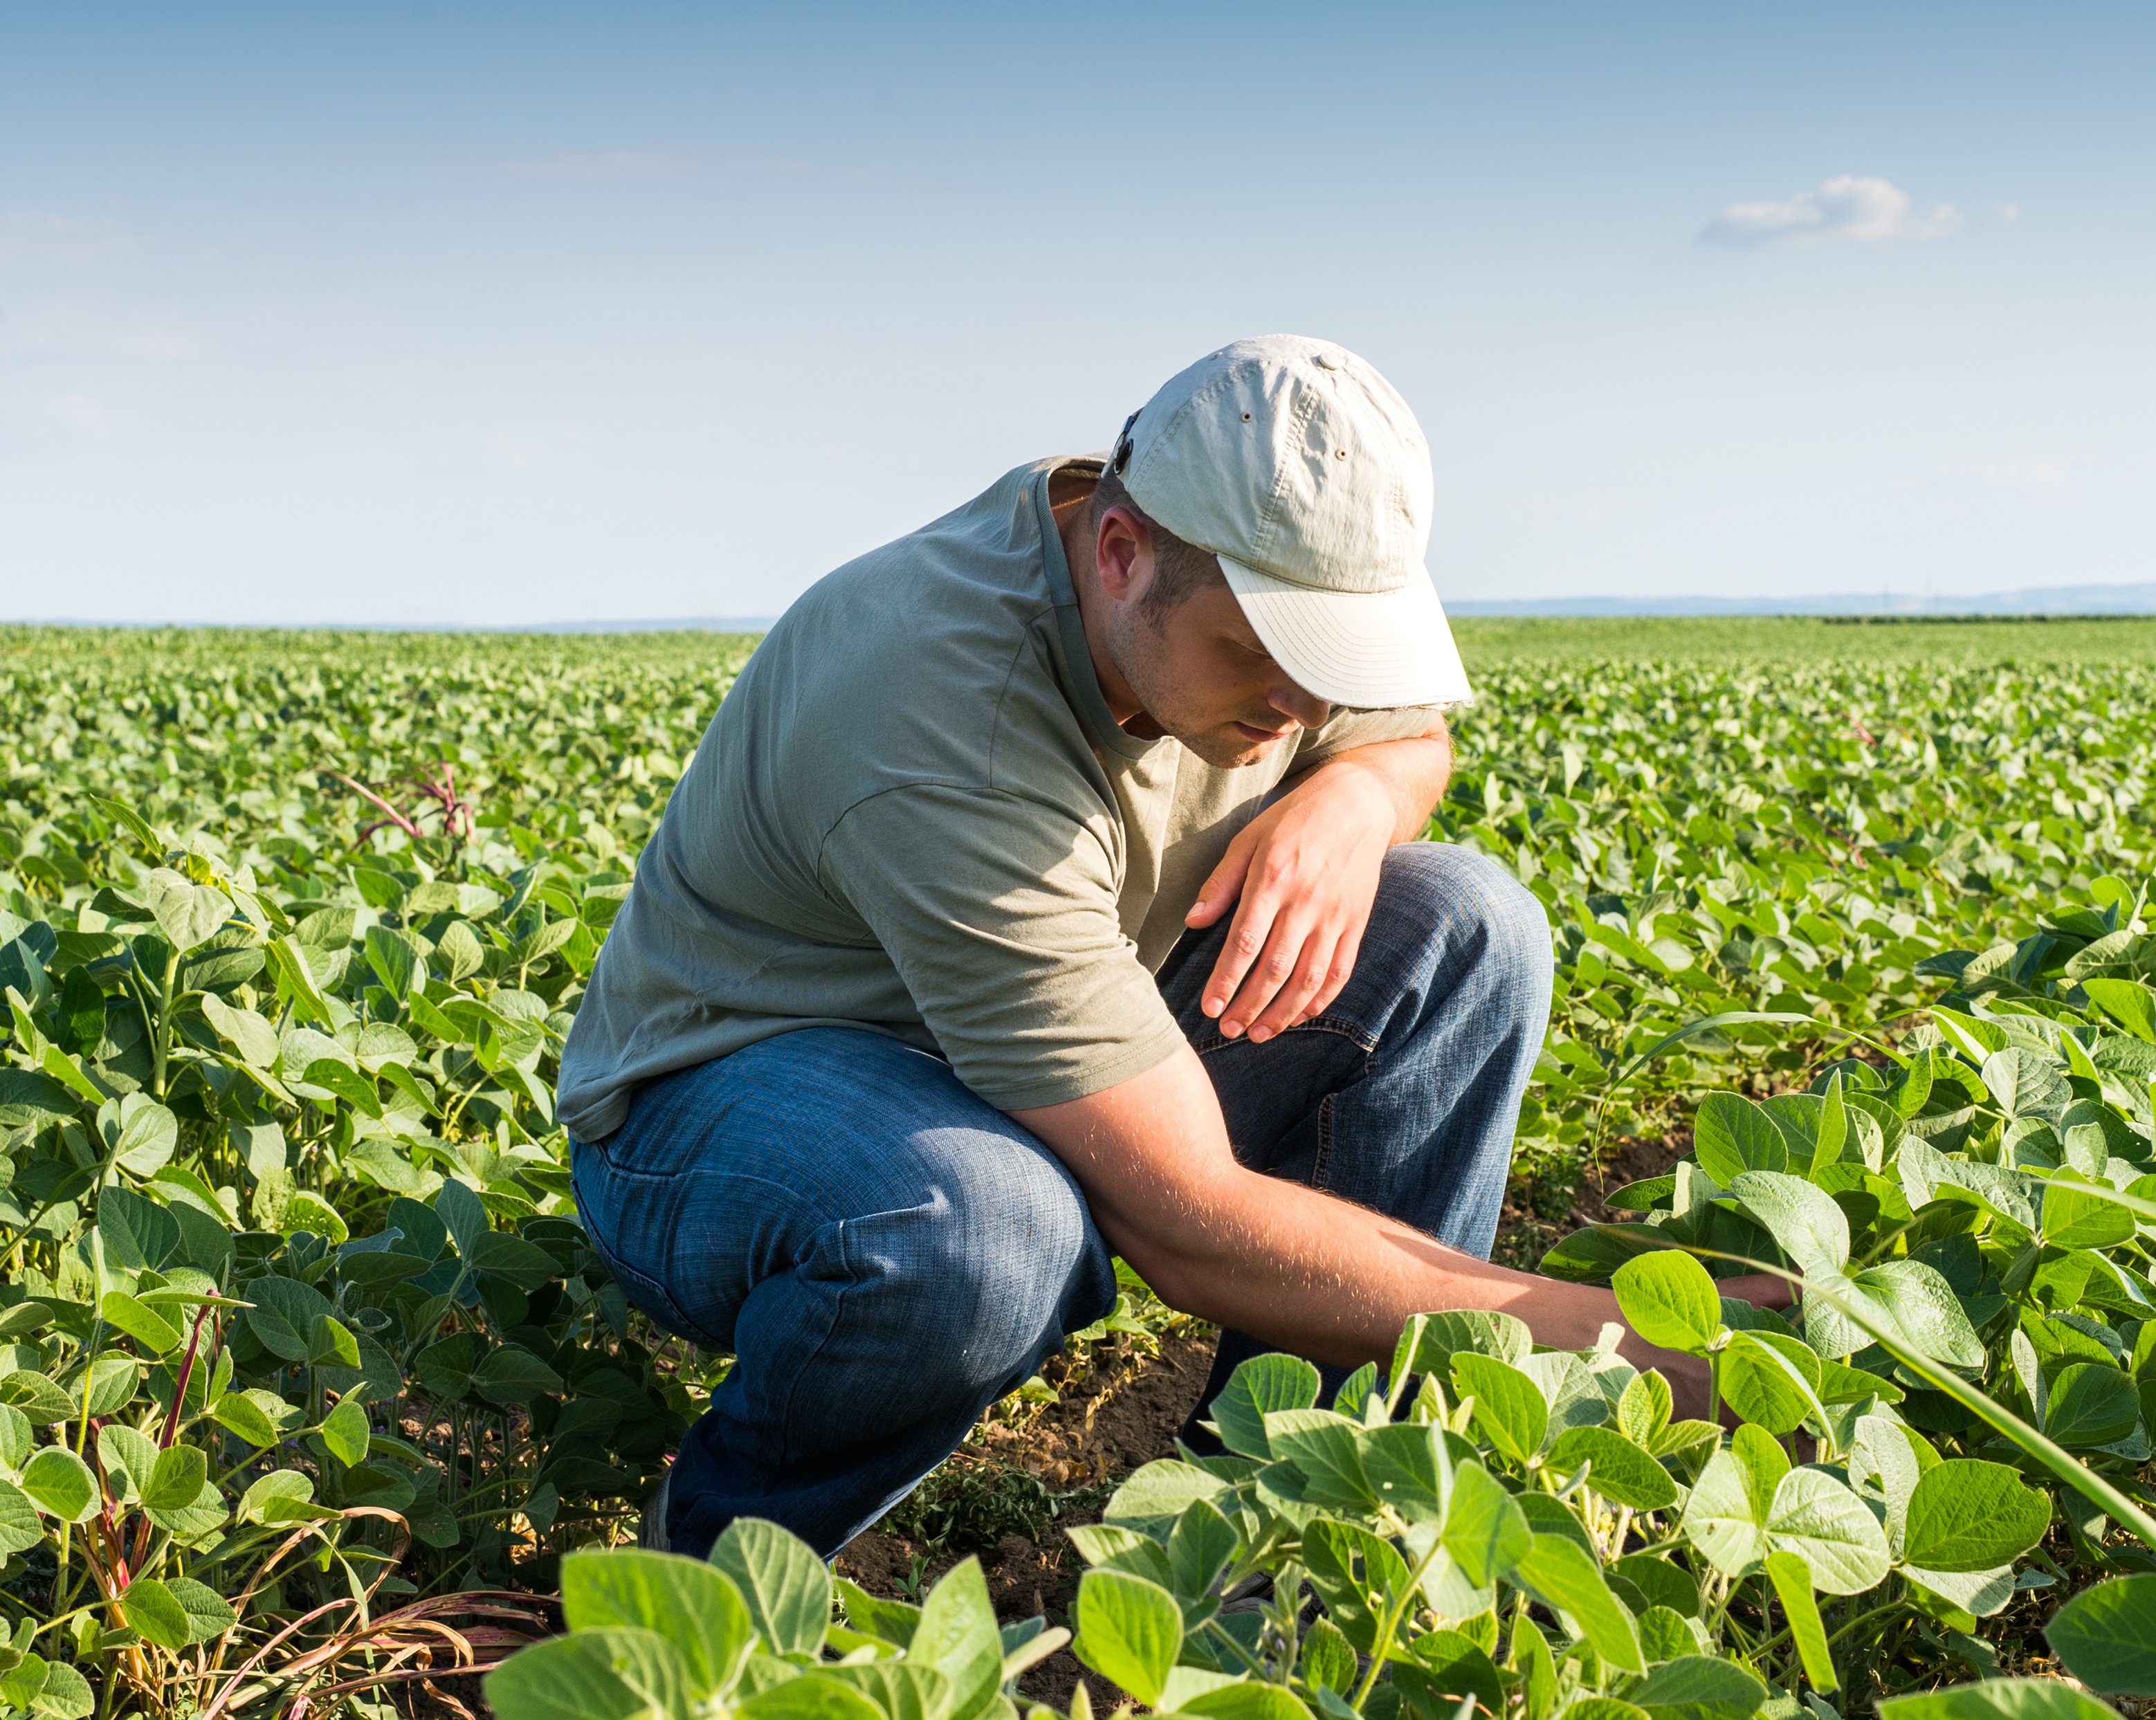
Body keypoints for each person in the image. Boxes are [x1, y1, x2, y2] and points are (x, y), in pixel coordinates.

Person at [556, 335, 1774, 1559]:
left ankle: (1283, 1527)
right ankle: (708, 1563)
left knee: (1468, 926)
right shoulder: (941, 715)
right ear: (1122, 555)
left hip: (1046, 1040)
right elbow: (1189, 1219)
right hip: (738, 1099)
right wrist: (1624, 1349)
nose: (1301, 705)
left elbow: (1411, 741)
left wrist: (1350, 802)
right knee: (987, 1229)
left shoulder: (1248, 565)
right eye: (1263, 656)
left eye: (1332, 661)